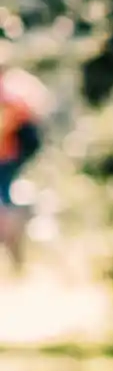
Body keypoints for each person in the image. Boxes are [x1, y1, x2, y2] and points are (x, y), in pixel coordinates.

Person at [0, 65, 49, 274]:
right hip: (9, 157)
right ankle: (16, 256)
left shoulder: (9, 95)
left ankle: (15, 253)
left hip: (5, 157)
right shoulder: (14, 91)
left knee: (5, 205)